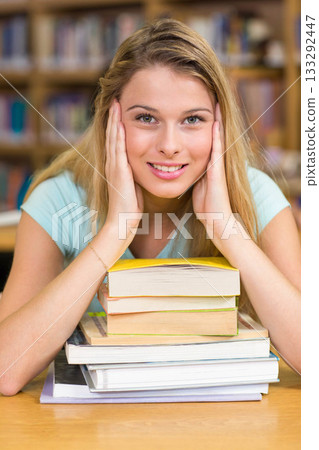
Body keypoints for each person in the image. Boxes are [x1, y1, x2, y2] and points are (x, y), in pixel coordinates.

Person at [0, 18, 300, 395]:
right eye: (146, 118)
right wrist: (115, 232)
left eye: (193, 120)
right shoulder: (59, 199)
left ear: (219, 125)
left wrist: (225, 228)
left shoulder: (257, 197)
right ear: (111, 118)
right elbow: (5, 370)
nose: (170, 145)